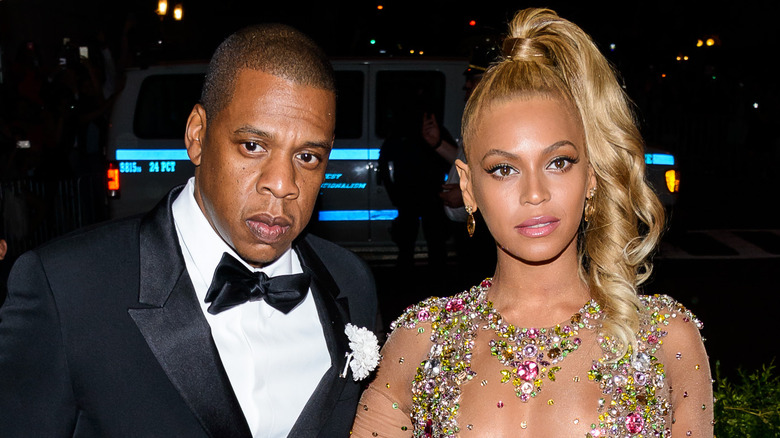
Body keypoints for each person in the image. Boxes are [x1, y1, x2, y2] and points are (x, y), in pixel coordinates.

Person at [0, 23, 378, 437]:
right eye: (253, 145)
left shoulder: (350, 283)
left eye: (307, 156)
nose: (283, 184)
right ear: (197, 135)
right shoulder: (67, 289)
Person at [352, 8, 712, 437]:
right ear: (468, 187)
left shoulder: (667, 339)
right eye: (504, 169)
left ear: (591, 178)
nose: (535, 193)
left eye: (559, 162)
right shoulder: (420, 341)